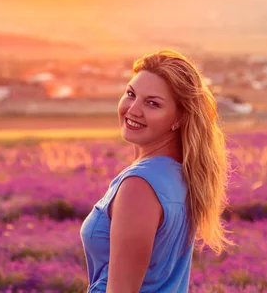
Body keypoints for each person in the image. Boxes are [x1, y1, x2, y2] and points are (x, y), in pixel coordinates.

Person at [80, 49, 232, 292]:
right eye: (131, 94)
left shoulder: (139, 185)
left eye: (152, 103)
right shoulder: (180, 175)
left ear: (180, 117)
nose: (133, 109)